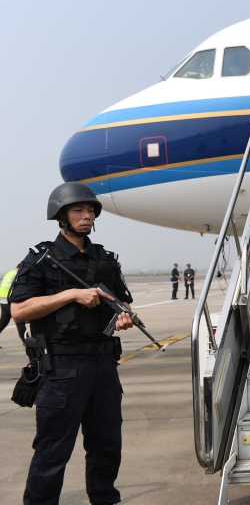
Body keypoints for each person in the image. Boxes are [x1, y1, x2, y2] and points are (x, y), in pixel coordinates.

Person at [9, 182, 135, 504]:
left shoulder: (105, 259)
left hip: (103, 367)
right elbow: (20, 309)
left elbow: (124, 304)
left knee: (107, 446)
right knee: (53, 452)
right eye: (78, 209)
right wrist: (71, 294)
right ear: (61, 216)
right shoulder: (41, 259)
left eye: (91, 209)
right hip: (61, 371)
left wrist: (125, 317)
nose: (87, 215)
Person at [0, 264, 28, 345]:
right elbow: (18, 289)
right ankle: (26, 341)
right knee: (20, 321)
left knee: (3, 322)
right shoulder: (16, 275)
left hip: (4, 301)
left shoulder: (9, 273)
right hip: (11, 301)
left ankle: (25, 340)